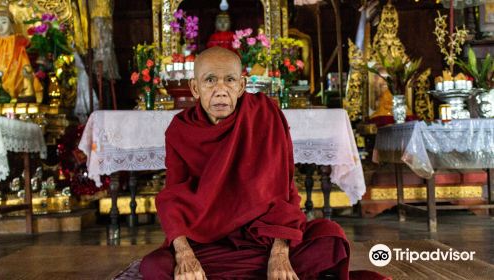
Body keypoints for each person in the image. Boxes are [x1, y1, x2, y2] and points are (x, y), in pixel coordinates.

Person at [140, 47, 386, 280]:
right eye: (210, 80)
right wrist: (184, 253)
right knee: (154, 267)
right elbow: (173, 195)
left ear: (242, 85)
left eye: (230, 80)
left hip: (263, 239)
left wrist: (280, 252)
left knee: (330, 238)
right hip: (206, 242)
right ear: (194, 88)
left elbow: (285, 191)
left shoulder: (264, 115)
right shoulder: (181, 130)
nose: (221, 89)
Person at [0, 6, 43, 103]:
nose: (0, 26)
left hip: (15, 79)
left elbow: (25, 61)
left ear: (11, 24)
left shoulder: (18, 40)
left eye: (4, 22)